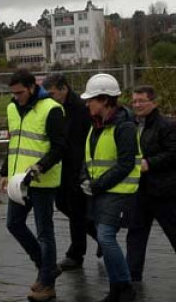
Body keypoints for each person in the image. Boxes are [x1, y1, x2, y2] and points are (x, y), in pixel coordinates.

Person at [0, 69, 65, 302]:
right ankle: (46, 267)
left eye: (20, 93)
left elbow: (59, 147)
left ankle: (47, 285)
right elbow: (14, 143)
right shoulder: (11, 108)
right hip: (19, 181)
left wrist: (40, 167)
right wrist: (5, 172)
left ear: (31, 87)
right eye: (13, 93)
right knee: (14, 224)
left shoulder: (52, 110)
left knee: (45, 232)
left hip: (43, 181)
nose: (16, 97)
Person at [81, 73, 139, 302]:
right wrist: (84, 177)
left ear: (105, 100)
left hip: (119, 192)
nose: (87, 104)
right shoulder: (96, 125)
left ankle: (125, 286)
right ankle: (117, 288)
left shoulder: (124, 126)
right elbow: (88, 157)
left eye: (91, 99)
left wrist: (97, 185)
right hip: (101, 191)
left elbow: (125, 164)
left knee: (105, 237)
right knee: (105, 237)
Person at [43, 73, 100, 269]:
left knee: (76, 210)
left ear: (64, 89)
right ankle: (98, 235)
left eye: (52, 93)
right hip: (61, 164)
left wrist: (82, 171)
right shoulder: (55, 108)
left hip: (76, 166)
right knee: (63, 204)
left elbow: (83, 140)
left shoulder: (79, 109)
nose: (49, 97)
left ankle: (76, 254)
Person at [126, 85, 176, 283]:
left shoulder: (167, 125)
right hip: (140, 191)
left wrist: (149, 163)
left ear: (154, 102)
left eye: (141, 101)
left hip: (164, 191)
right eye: (134, 101)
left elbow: (173, 153)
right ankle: (132, 275)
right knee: (135, 233)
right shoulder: (133, 124)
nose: (137, 105)